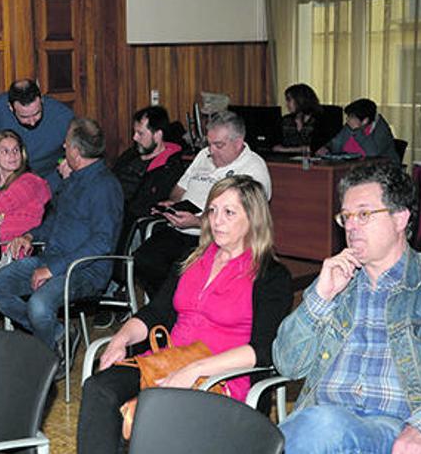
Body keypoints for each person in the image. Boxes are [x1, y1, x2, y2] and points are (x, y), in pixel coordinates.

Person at [77, 175, 293, 454]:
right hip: (168, 362)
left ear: (253, 218)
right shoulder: (191, 260)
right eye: (212, 210)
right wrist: (120, 339)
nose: (216, 220)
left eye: (229, 212)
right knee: (100, 389)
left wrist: (194, 370)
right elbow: (156, 313)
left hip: (225, 376)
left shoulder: (270, 275)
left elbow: (264, 350)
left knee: (151, 414)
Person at [273, 162, 421, 453]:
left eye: (363, 214)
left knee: (320, 425)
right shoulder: (336, 281)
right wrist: (320, 299)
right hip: (323, 425)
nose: (351, 226)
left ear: (400, 218)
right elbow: (286, 363)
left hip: (394, 428)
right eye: (346, 216)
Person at [0, 118, 123, 376]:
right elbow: (56, 221)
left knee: (39, 306)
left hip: (85, 270)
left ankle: (48, 362)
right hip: (53, 259)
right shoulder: (74, 180)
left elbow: (102, 242)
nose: (63, 145)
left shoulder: (104, 186)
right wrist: (30, 236)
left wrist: (53, 269)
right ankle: (58, 333)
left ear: (76, 153)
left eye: (66, 143)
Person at [132, 110, 272, 298]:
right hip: (182, 228)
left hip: (215, 238)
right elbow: (179, 188)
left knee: (182, 270)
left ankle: (180, 308)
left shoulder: (253, 168)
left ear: (238, 144)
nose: (211, 150)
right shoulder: (203, 156)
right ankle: (171, 309)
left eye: (218, 145)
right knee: (143, 260)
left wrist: (198, 222)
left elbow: (247, 218)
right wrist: (173, 203)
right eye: (209, 144)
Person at [95, 106, 185, 329]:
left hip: (134, 218)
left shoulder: (170, 165)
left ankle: (112, 292)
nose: (134, 138)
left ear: (158, 135)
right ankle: (98, 288)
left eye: (140, 133)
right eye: (134, 132)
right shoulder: (132, 155)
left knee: (111, 231)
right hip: (112, 208)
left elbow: (149, 203)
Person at [0, 79, 74, 186]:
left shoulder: (64, 117)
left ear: (41, 100)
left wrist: (69, 163)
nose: (32, 122)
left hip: (50, 180)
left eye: (37, 113)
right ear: (11, 107)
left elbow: (80, 152)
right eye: (24, 117)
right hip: (10, 180)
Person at [316, 98, 399, 162]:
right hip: (350, 168)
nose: (347, 119)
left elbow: (372, 154)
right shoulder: (349, 126)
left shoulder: (381, 130)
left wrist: (357, 131)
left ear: (365, 121)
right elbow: (337, 144)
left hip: (380, 171)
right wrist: (326, 148)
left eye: (351, 117)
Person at [273, 83, 323, 154]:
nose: (287, 104)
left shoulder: (319, 120)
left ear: (300, 100)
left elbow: (315, 148)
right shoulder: (285, 120)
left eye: (289, 100)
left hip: (312, 162)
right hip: (285, 160)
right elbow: (276, 144)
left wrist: (285, 150)